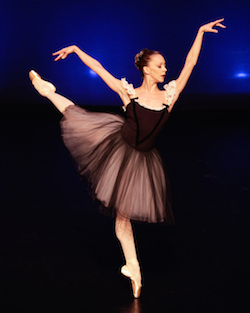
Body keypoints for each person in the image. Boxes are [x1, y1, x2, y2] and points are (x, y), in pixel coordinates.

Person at [29, 18, 225, 298]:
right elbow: (100, 69)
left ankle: (132, 267)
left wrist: (199, 32)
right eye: (160, 66)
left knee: (123, 217)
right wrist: (75, 49)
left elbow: (190, 64)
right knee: (76, 115)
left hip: (141, 161)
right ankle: (48, 91)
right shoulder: (129, 94)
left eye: (165, 66)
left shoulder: (170, 95)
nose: (165, 70)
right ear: (146, 70)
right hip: (117, 148)